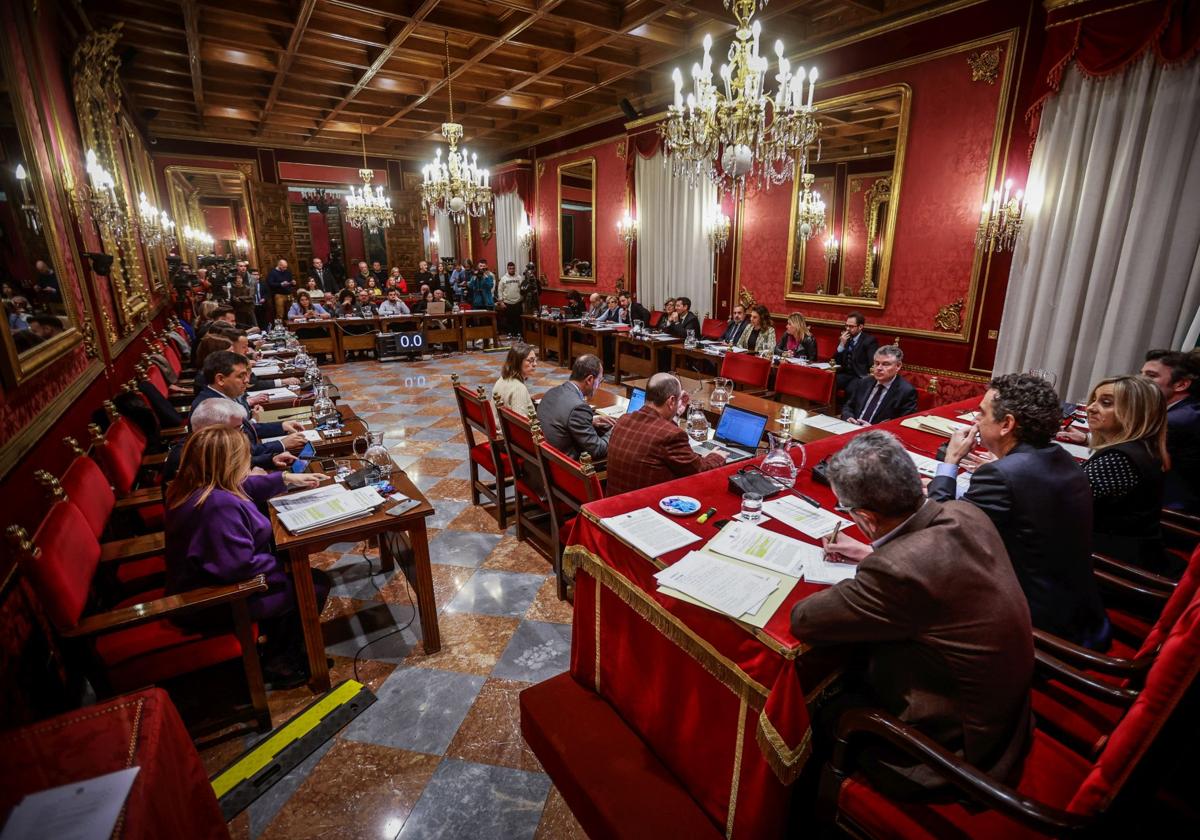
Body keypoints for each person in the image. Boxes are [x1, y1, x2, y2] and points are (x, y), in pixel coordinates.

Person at [793, 430, 1032, 796]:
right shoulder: (964, 512)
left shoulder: (898, 572)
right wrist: (872, 553)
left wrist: (879, 562)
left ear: (866, 518)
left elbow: (805, 620)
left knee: (817, 708)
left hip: (954, 753)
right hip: (1007, 715)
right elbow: (937, 567)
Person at [928, 373, 1110, 648]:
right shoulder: (1062, 458)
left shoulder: (1002, 475)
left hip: (1030, 620)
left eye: (982, 413)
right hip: (1078, 608)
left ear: (1007, 424)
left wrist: (951, 462)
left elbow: (943, 531)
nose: (976, 421)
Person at [165, 425, 327, 687]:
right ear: (228, 463)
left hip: (205, 583)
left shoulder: (196, 484)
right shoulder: (217, 505)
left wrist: (283, 479)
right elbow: (238, 567)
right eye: (243, 456)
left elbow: (245, 484)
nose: (248, 462)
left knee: (301, 578)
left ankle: (279, 646)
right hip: (214, 600)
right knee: (312, 585)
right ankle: (281, 662)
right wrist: (284, 562)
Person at [1083, 375, 1172, 573]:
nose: (1090, 408)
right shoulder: (1141, 448)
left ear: (1136, 412)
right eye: (1094, 400)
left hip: (1111, 563)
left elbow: (1062, 503)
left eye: (1105, 403)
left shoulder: (1120, 459)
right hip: (1132, 550)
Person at [606, 373, 726, 495]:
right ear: (671, 400)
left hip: (613, 504)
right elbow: (699, 470)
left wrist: (675, 413)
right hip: (646, 508)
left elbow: (659, 429)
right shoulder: (671, 435)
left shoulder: (623, 419)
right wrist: (716, 456)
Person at [190, 350, 306, 458]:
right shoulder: (210, 409)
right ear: (220, 379)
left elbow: (245, 428)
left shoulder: (223, 396)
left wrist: (281, 426)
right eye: (240, 376)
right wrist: (281, 444)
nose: (247, 381)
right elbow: (237, 453)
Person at [1140, 349, 1200, 513]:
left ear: (1181, 384)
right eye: (1141, 373)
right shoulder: (1189, 409)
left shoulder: (1176, 420)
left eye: (1151, 376)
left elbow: (1136, 458)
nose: (1140, 380)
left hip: (1171, 513)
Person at [536, 354, 613, 461]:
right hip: (566, 469)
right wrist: (615, 430)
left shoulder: (552, 392)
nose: (599, 386)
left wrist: (589, 422)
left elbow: (562, 421)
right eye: (599, 380)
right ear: (589, 380)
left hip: (545, 460)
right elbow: (598, 450)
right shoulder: (579, 408)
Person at [840, 345, 918, 425]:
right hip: (852, 429)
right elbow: (848, 406)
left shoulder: (906, 391)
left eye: (885, 364)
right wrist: (848, 417)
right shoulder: (864, 382)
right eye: (876, 363)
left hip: (878, 435)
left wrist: (873, 429)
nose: (879, 368)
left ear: (898, 366)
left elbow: (901, 424)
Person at [834, 311, 879, 391]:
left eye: (851, 326)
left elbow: (872, 364)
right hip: (845, 374)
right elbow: (835, 362)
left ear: (860, 327)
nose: (847, 329)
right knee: (830, 381)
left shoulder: (869, 341)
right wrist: (841, 345)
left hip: (860, 376)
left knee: (851, 388)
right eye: (846, 325)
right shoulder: (845, 338)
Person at [492, 343, 538, 420]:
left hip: (499, 427)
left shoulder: (503, 379)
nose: (535, 364)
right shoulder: (519, 389)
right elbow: (520, 423)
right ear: (517, 362)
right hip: (508, 431)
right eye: (530, 360)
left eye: (535, 360)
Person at [497, 261, 524, 337]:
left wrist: (522, 299)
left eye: (513, 268)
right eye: (510, 268)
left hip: (518, 302)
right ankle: (510, 333)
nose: (511, 270)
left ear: (515, 268)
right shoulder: (503, 279)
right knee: (509, 319)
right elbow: (500, 291)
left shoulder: (519, 278)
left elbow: (522, 289)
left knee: (518, 319)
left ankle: (518, 333)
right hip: (507, 302)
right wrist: (501, 302)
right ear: (507, 269)